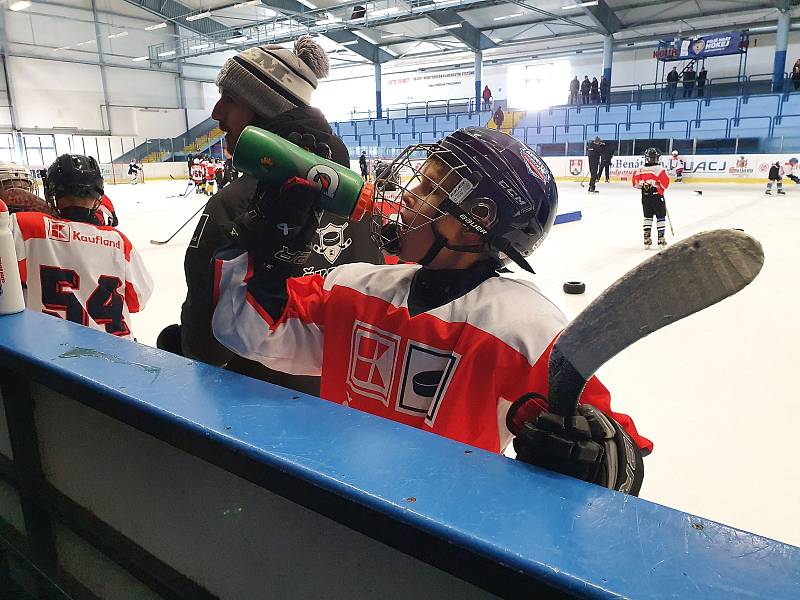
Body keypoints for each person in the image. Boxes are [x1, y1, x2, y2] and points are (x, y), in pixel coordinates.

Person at [211, 127, 651, 493]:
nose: (407, 197)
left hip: (445, 536)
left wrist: (601, 452)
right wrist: (265, 247)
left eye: (428, 188)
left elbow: (613, 443)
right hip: (336, 504)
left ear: (475, 219)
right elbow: (246, 329)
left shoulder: (524, 328)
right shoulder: (355, 285)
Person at [175, 36, 384, 396]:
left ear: (264, 108)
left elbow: (204, 345)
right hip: (340, 405)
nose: (216, 114)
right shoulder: (356, 199)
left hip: (251, 416)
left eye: (231, 99)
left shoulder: (235, 204)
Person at [9, 154, 152, 338]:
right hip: (118, 356)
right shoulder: (118, 242)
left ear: (53, 192)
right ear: (98, 195)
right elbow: (138, 301)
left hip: (54, 356)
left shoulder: (25, 226)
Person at [632, 148, 670, 249]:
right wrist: (655, 184)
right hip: (657, 196)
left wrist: (644, 185)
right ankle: (661, 239)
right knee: (660, 217)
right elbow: (665, 184)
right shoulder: (660, 169)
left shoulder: (639, 169)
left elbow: (635, 184)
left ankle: (646, 239)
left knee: (647, 217)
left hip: (645, 196)